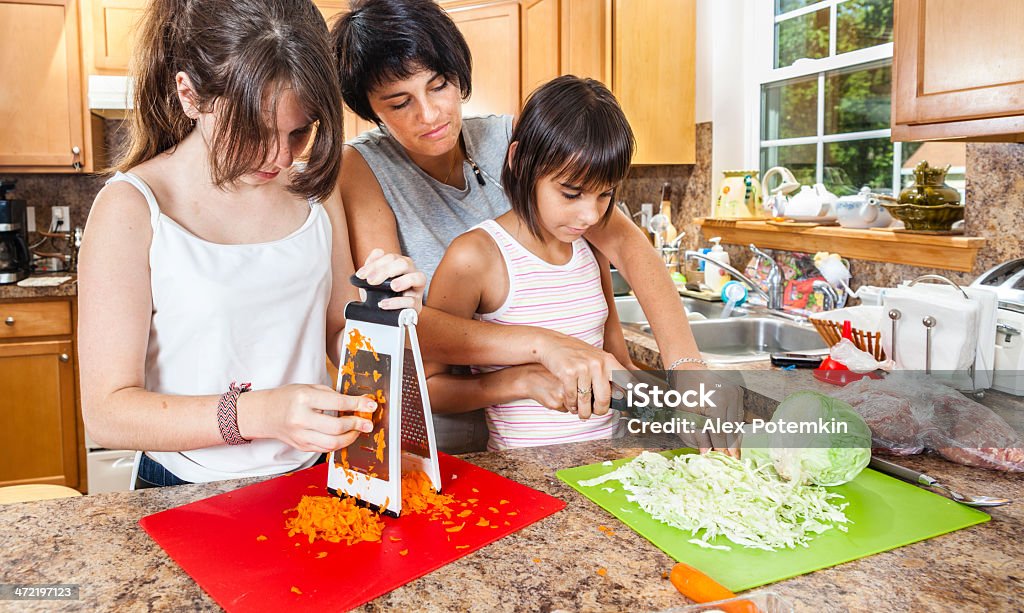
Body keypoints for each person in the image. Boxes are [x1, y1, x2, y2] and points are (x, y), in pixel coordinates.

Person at [331, 0, 725, 454]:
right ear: (371, 110)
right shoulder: (361, 168)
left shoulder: (511, 140)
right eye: (400, 103)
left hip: (548, 419)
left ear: (460, 75)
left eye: (439, 86)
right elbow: (400, 321)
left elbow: (629, 249)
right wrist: (540, 349)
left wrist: (688, 366)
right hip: (444, 425)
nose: (430, 114)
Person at [77, 0, 425, 487]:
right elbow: (108, 412)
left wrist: (380, 317)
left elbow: (335, 328)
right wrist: (260, 414)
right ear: (190, 95)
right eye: (252, 131)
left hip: (312, 474)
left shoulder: (314, 194)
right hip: (186, 488)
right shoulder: (133, 208)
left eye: (300, 131)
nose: (279, 158)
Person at [425, 76, 639, 450]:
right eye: (571, 193)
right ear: (520, 162)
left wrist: (690, 404)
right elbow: (428, 390)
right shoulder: (475, 257)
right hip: (525, 473)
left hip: (608, 459)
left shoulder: (592, 246)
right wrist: (520, 381)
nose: (590, 215)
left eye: (605, 194)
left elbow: (619, 364)